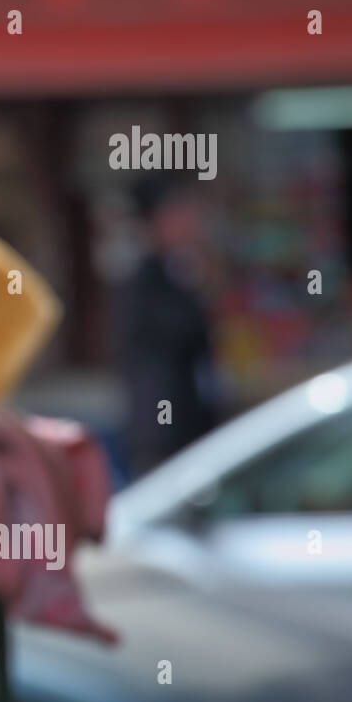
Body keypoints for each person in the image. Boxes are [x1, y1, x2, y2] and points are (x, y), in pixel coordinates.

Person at [115, 173, 221, 479]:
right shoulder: (145, 280)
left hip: (191, 428)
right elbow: (180, 336)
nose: (191, 222)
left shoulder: (178, 271)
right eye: (179, 213)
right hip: (164, 433)